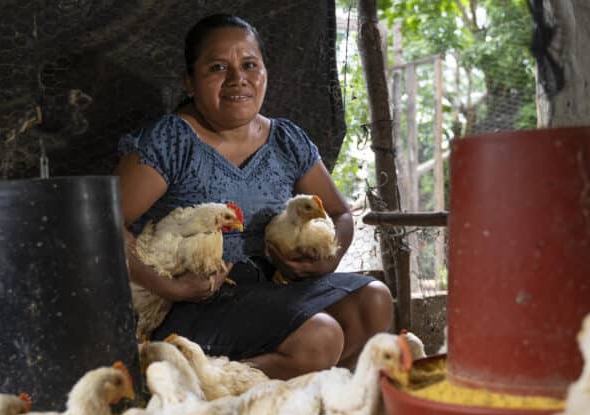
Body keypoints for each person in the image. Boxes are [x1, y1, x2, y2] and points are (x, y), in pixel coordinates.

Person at [115, 13, 393, 379]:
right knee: (318, 338)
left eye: (250, 65)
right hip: (195, 302)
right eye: (217, 67)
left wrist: (327, 260)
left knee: (375, 301)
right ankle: (183, 387)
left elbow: (340, 213)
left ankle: (298, 410)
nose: (237, 79)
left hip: (274, 290)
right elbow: (105, 225)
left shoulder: (286, 140)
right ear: (189, 81)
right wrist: (171, 286)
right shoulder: (172, 140)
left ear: (265, 72)